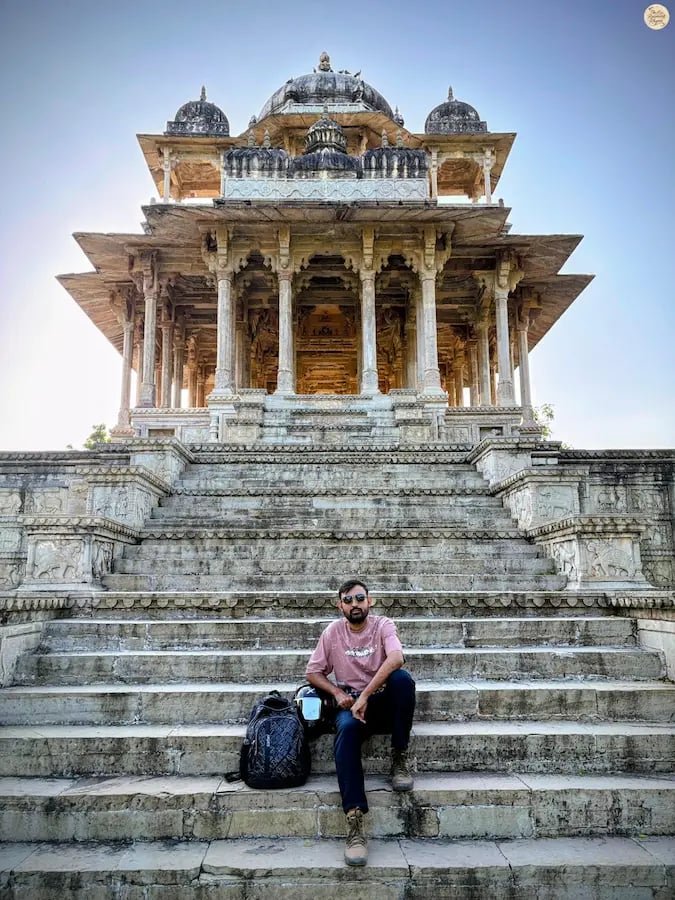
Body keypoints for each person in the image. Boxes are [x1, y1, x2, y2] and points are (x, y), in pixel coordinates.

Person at [305, 578, 416, 867]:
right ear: (340, 605)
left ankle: (399, 756)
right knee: (347, 730)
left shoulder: (383, 625)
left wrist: (366, 695)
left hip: (379, 703)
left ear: (369, 601)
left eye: (359, 598)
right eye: (348, 600)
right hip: (351, 707)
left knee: (402, 682)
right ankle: (354, 821)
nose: (354, 604)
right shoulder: (332, 632)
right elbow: (313, 672)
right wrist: (338, 692)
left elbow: (397, 658)